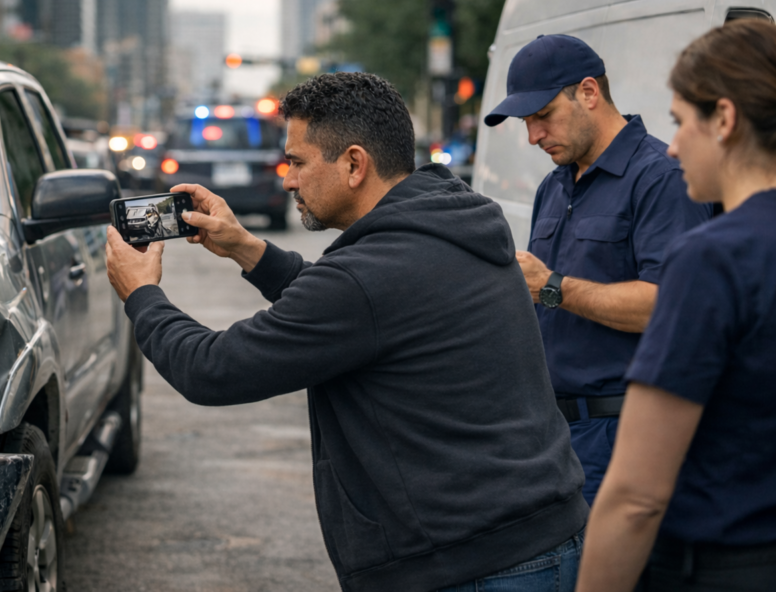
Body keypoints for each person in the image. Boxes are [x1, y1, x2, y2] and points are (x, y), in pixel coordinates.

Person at [105, 72, 588, 592]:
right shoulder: (448, 223)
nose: (287, 179)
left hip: (468, 566)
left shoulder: (367, 276)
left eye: (297, 162)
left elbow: (212, 371)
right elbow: (358, 308)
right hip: (542, 538)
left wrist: (142, 295)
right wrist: (246, 246)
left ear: (355, 164)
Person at [577, 19, 776, 591]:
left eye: (680, 122)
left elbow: (638, 494)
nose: (674, 145)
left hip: (726, 563)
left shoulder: (713, 259)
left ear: (725, 120)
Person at [483, 35, 712, 506]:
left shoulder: (660, 177)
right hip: (553, 434)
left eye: (543, 116)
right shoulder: (553, 186)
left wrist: (550, 288)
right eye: (527, 123)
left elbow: (667, 307)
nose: (533, 136)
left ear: (589, 92)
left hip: (625, 430)